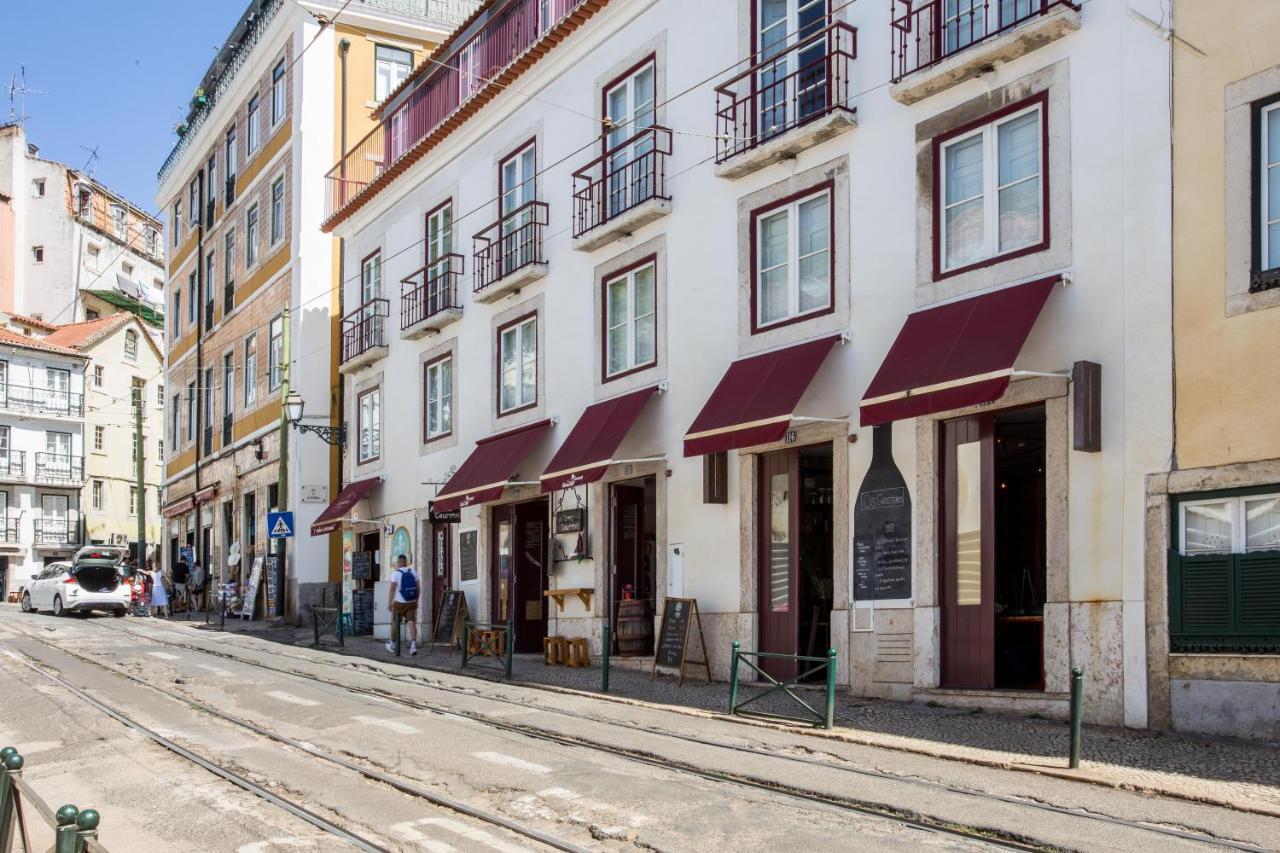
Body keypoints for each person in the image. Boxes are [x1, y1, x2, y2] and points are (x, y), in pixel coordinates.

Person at [385, 554, 420, 656]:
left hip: (399, 603)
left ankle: (392, 643)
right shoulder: (413, 572)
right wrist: (416, 601)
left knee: (395, 622)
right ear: (406, 562)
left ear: (399, 563)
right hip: (411, 601)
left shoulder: (395, 574)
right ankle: (413, 645)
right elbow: (418, 589)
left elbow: (392, 589)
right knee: (411, 622)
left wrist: (389, 603)